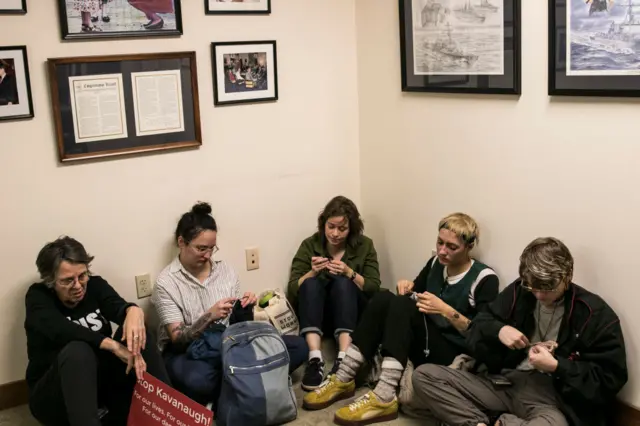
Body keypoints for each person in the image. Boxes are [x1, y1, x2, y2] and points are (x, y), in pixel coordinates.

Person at [303, 212, 500, 425]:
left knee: (401, 303)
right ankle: (344, 376)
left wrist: (445, 310)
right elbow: (415, 294)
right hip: (424, 339)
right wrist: (408, 287)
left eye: (452, 247)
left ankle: (384, 394)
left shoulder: (485, 279)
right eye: (440, 242)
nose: (442, 251)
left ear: (469, 247)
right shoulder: (436, 263)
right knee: (384, 297)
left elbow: (481, 334)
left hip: (453, 351)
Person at [412, 237, 628, 426]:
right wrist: (500, 329)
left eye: (548, 288)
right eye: (533, 287)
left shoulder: (594, 314)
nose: (539, 295)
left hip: (551, 399)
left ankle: (500, 421)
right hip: (505, 382)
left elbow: (610, 380)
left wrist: (557, 366)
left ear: (567, 277)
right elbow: (479, 323)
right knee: (425, 376)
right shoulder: (521, 290)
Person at [152, 202, 308, 406]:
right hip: (188, 353)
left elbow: (237, 326)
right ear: (182, 242)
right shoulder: (166, 282)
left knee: (298, 347)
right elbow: (178, 339)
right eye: (201, 248)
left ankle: (236, 386)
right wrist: (209, 316)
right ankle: (252, 380)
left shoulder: (225, 271)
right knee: (198, 380)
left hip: (226, 344)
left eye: (211, 248)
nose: (207, 255)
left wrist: (245, 307)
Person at [25, 237, 171, 426]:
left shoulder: (94, 285)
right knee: (78, 350)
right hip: (55, 394)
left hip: (99, 388)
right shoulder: (38, 297)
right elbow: (61, 330)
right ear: (51, 281)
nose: (78, 286)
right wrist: (111, 345)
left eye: (82, 276)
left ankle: (169, 415)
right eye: (68, 280)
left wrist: (133, 311)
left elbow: (116, 306)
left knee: (139, 338)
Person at [288, 195, 381, 391]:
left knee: (343, 283)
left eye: (342, 229)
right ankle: (315, 358)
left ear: (352, 229)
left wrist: (350, 272)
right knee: (311, 283)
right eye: (331, 226)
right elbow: (294, 289)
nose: (335, 233)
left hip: (352, 313)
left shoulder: (365, 245)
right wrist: (312, 272)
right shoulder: (310, 245)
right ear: (323, 224)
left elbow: (373, 287)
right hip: (319, 315)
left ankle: (344, 358)